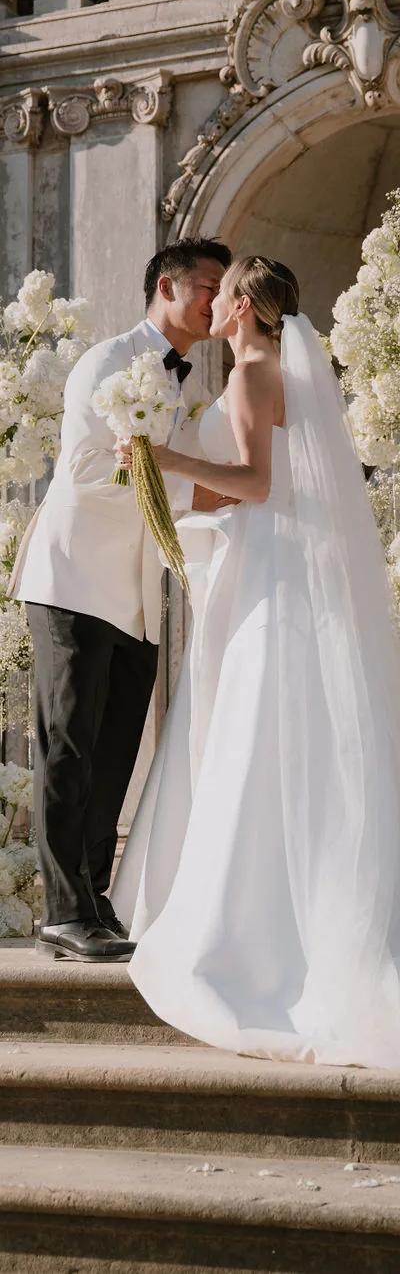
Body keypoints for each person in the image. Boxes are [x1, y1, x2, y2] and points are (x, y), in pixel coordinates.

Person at [112, 255, 400, 1066]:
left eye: (220, 289)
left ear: (239, 305)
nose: (212, 302)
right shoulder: (287, 369)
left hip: (271, 569)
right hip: (283, 566)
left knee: (252, 729)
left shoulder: (250, 373)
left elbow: (255, 482)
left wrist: (165, 464)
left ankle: (245, 928)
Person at [8, 236, 231, 962]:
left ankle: (93, 901)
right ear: (166, 286)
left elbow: (196, 466)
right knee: (67, 747)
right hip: (72, 583)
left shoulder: (187, 382)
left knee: (113, 755)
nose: (214, 298)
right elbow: (81, 467)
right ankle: (63, 911)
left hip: (138, 597)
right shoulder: (106, 362)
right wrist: (182, 477)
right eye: (206, 284)